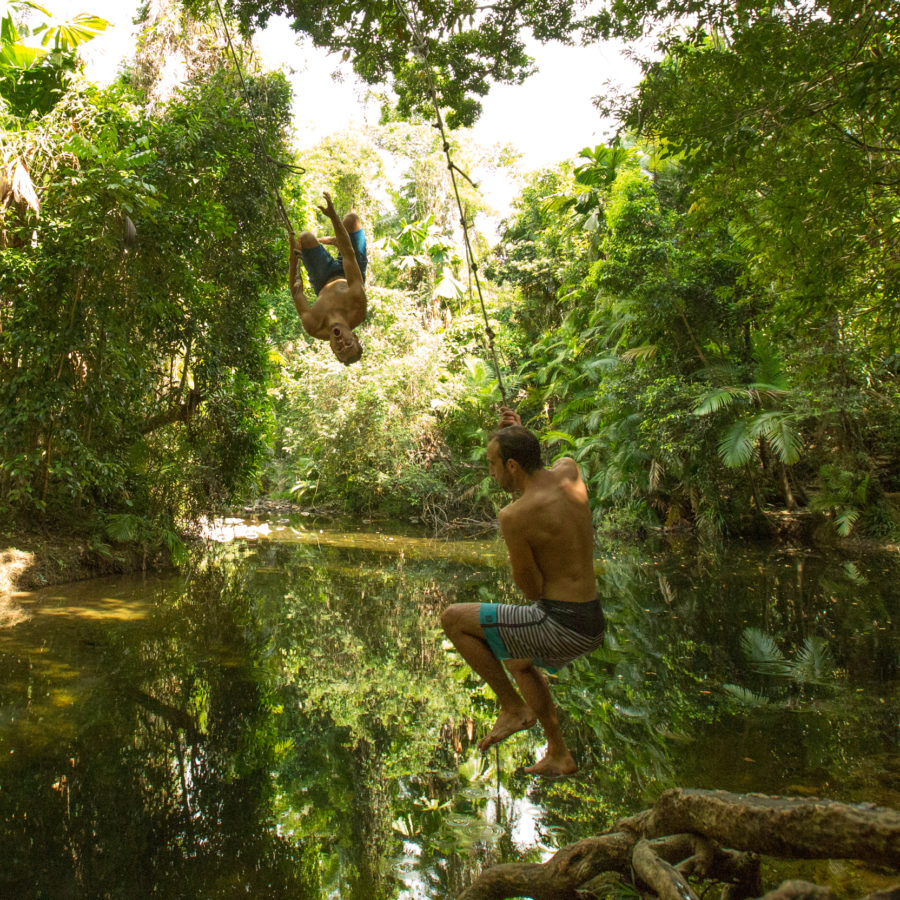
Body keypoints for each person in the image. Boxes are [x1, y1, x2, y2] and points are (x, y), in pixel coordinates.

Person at [441, 407, 605, 777]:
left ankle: (513, 708)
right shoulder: (570, 470)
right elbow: (541, 459)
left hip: (561, 625)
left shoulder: (515, 516)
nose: (491, 472)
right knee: (517, 659)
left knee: (453, 619)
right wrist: (519, 433)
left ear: (512, 467)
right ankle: (559, 754)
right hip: (592, 619)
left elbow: (531, 589)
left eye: (493, 464)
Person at [289, 192, 367, 365]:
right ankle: (337, 239)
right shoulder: (358, 307)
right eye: (348, 343)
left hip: (322, 278)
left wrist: (293, 257)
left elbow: (295, 291)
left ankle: (334, 240)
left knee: (304, 238)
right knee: (351, 220)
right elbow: (348, 255)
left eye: (339, 348)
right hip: (351, 273)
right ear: (354, 335)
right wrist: (333, 216)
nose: (341, 342)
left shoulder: (313, 326)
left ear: (331, 347)